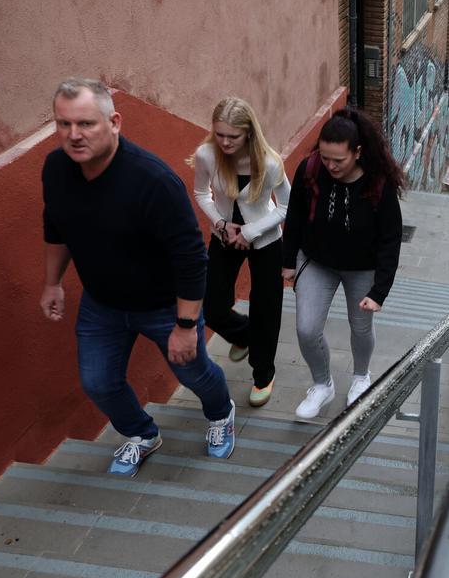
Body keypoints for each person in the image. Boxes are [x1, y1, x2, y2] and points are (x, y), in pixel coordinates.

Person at [40, 78, 236, 476]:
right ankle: (142, 434)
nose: (74, 135)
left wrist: (185, 327)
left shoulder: (154, 181)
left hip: (164, 306)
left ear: (114, 122)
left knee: (193, 372)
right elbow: (57, 227)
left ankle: (221, 413)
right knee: (98, 382)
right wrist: (52, 282)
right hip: (102, 305)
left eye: (86, 123)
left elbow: (191, 259)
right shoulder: (56, 168)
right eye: (64, 124)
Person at [282, 107, 405, 420]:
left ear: (357, 152)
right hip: (316, 261)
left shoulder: (378, 183)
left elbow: (391, 238)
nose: (331, 165)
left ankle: (361, 377)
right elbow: (295, 215)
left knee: (360, 327)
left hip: (363, 267)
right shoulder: (310, 169)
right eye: (325, 158)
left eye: (339, 160)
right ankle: (322, 384)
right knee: (306, 328)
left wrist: (379, 291)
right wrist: (288, 260)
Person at [192, 98, 289, 407]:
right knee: (212, 307)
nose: (225, 142)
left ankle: (263, 375)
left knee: (266, 309)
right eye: (219, 134)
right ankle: (245, 336)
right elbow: (201, 193)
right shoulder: (207, 155)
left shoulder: (269, 162)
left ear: (248, 132)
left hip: (265, 240)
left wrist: (249, 232)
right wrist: (221, 224)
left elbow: (287, 206)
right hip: (223, 236)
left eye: (232, 136)